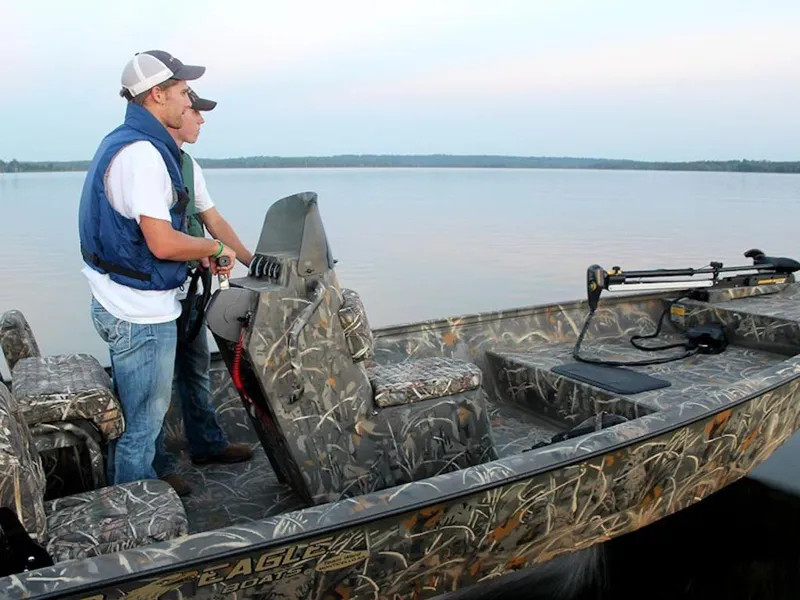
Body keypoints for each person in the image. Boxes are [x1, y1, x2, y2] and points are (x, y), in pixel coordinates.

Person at [79, 50, 237, 486]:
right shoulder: (144, 154)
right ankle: (134, 529)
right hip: (139, 314)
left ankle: (147, 491)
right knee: (141, 430)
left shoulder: (125, 143)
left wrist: (212, 248)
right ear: (156, 94)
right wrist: (214, 245)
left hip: (119, 300)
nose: (190, 104)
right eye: (184, 92)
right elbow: (163, 243)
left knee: (139, 424)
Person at [153, 87, 254, 496]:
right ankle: (156, 473)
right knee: (154, 388)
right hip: (150, 298)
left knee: (195, 370)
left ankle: (207, 446)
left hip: (187, 294)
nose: (201, 120)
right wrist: (208, 251)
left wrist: (254, 260)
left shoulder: (188, 165)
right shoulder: (147, 160)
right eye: (196, 111)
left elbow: (213, 220)